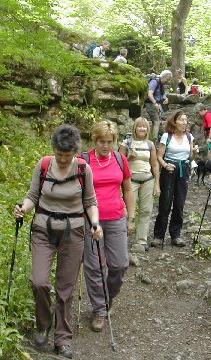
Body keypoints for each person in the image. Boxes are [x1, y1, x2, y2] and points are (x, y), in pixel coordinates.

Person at [13, 124, 102, 359]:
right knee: (39, 281)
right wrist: (23, 208)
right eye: (59, 154)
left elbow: (90, 201)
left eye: (67, 155)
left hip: (73, 233)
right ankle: (43, 324)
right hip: (43, 229)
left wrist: (95, 223)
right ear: (54, 149)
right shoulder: (44, 164)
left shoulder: (84, 169)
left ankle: (63, 339)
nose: (63, 159)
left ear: (75, 151)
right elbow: (33, 195)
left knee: (65, 289)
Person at [81, 120, 135, 332]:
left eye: (109, 141)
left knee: (120, 264)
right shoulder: (83, 161)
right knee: (94, 266)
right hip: (90, 221)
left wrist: (131, 217)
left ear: (114, 141)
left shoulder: (121, 159)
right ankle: (99, 311)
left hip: (115, 218)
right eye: (101, 141)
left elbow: (128, 190)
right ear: (95, 141)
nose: (105, 146)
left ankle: (108, 297)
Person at [151, 111, 199, 248]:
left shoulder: (189, 137)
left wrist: (194, 153)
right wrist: (165, 165)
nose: (184, 122)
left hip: (184, 170)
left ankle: (175, 235)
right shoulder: (167, 136)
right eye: (181, 120)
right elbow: (159, 156)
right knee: (165, 203)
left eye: (186, 120)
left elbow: (190, 158)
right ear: (174, 121)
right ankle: (158, 235)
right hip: (169, 170)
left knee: (179, 203)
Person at [119, 117, 160, 252]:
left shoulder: (150, 144)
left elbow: (154, 165)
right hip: (130, 181)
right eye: (139, 126)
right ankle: (121, 240)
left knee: (146, 210)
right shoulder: (126, 143)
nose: (142, 129)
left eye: (145, 127)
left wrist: (157, 184)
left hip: (148, 180)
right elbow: (119, 162)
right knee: (125, 210)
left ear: (148, 129)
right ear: (135, 128)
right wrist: (129, 158)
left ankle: (141, 241)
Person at [145, 70, 173, 140]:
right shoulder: (155, 82)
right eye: (168, 79)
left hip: (156, 104)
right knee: (156, 122)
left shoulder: (161, 83)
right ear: (164, 76)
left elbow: (162, 94)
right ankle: (154, 140)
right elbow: (149, 94)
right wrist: (155, 103)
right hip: (151, 104)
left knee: (157, 122)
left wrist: (166, 98)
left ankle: (153, 138)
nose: (168, 81)